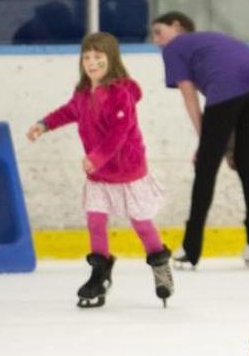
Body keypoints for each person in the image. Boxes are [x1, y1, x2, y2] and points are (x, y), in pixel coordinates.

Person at [27, 32, 175, 308]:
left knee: (141, 223)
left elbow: (120, 132)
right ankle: (99, 273)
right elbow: (69, 111)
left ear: (112, 59)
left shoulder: (120, 93)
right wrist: (44, 124)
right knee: (95, 221)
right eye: (87, 57)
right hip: (99, 175)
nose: (92, 62)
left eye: (98, 57)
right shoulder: (83, 92)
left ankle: (160, 265)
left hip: (127, 171)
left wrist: (96, 157)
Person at [151, 11, 249, 268]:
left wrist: (205, 142)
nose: (157, 40)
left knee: (206, 166)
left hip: (229, 86)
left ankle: (191, 249)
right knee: (245, 161)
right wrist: (227, 148)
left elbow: (189, 95)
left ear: (177, 26)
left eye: (158, 32)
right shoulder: (206, 41)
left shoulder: (175, 46)